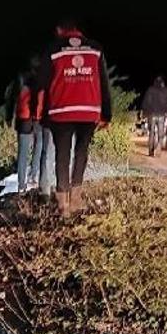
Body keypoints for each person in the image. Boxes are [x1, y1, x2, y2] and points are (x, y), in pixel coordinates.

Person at [37, 18, 112, 217]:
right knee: (81, 152)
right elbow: (103, 82)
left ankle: (63, 205)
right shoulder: (95, 48)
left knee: (62, 155)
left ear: (59, 29)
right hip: (89, 110)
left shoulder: (53, 49)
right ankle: (77, 199)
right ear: (78, 29)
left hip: (60, 111)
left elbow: (42, 83)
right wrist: (106, 114)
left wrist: (42, 115)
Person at [5, 55, 43, 194]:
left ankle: (22, 185)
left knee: (23, 152)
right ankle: (33, 176)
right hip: (39, 118)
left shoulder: (20, 78)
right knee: (39, 147)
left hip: (24, 118)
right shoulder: (43, 77)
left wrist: (9, 117)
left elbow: (11, 98)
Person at [141, 76, 167, 157]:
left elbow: (145, 102)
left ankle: (151, 151)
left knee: (151, 133)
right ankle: (159, 148)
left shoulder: (150, 90)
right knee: (161, 134)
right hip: (161, 115)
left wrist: (144, 113)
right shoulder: (165, 91)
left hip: (151, 114)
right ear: (162, 83)